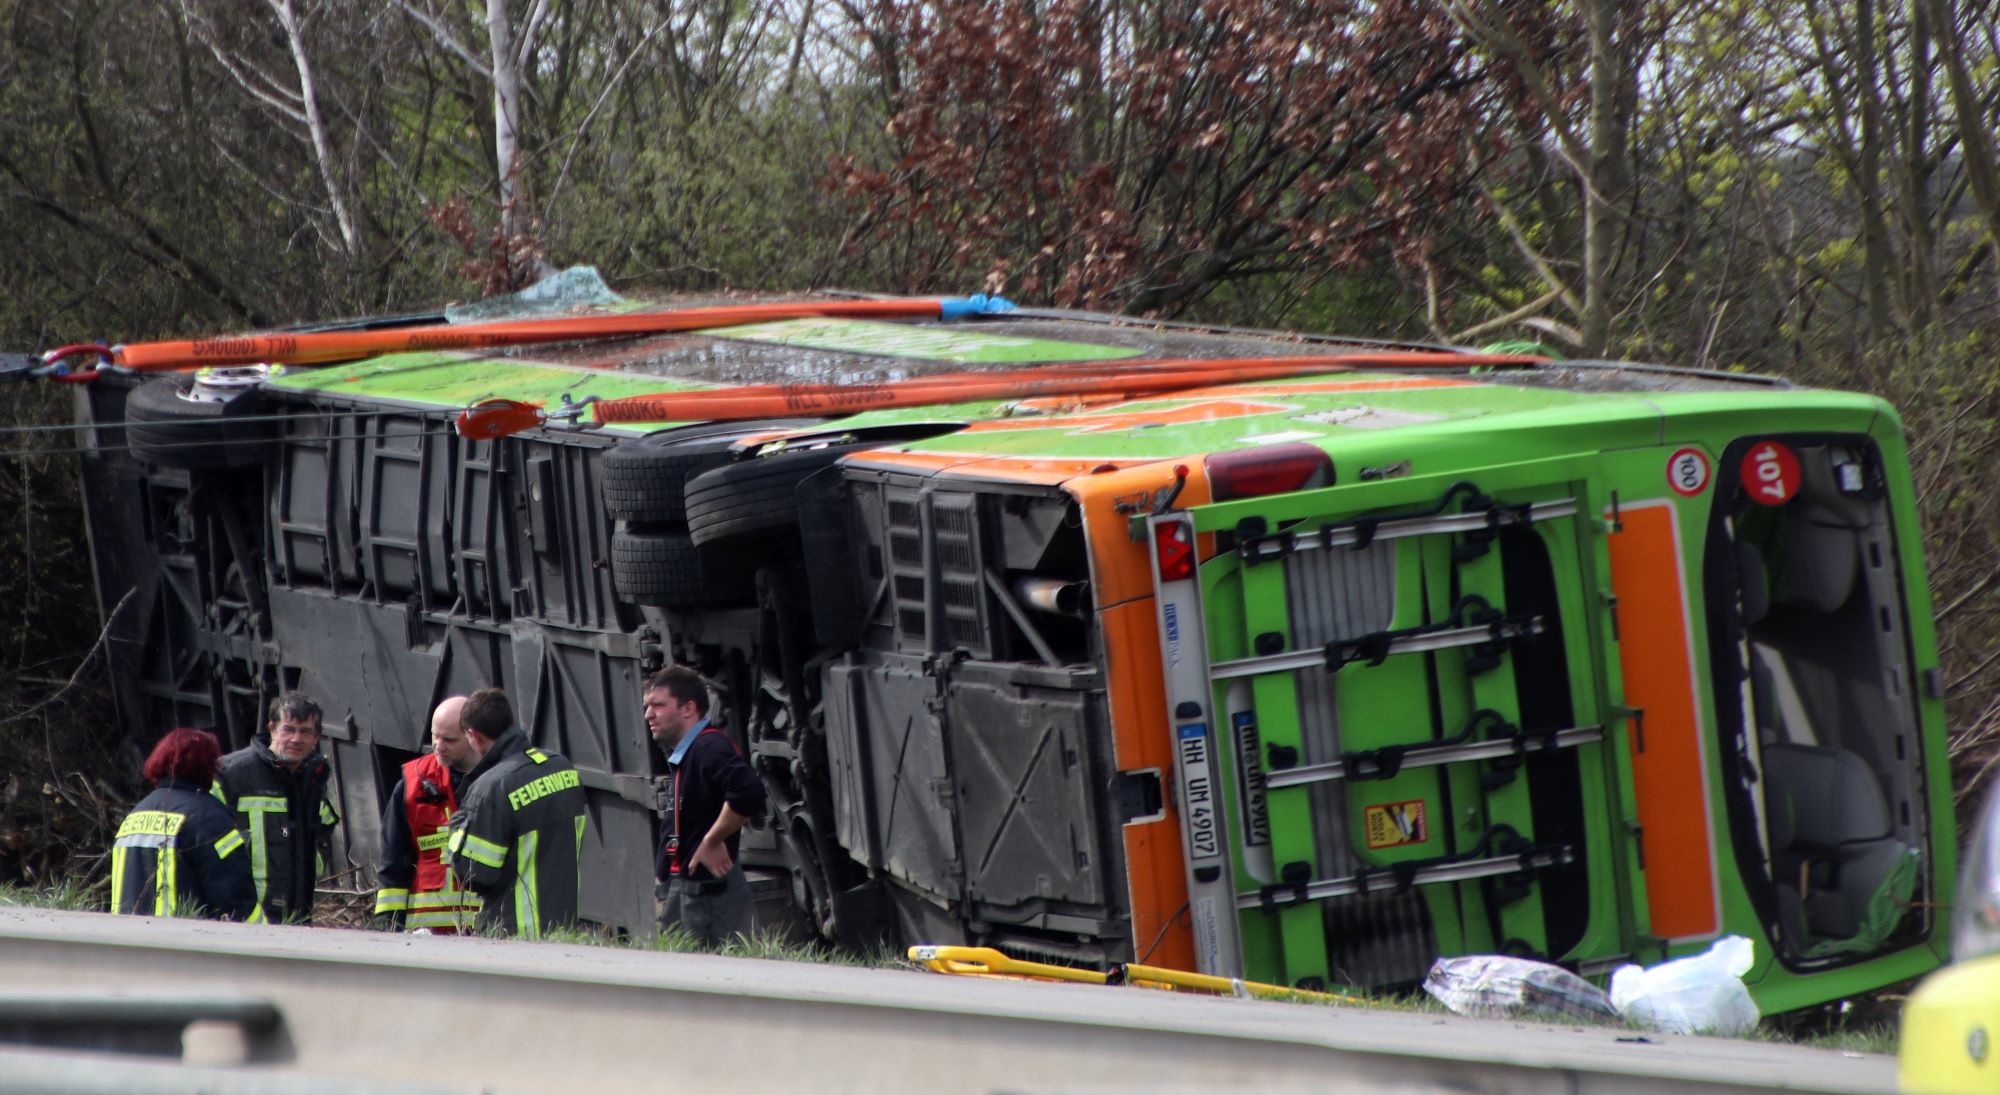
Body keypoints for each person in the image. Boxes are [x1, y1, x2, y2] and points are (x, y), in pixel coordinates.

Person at [445, 688, 587, 938]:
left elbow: (475, 874)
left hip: (515, 934)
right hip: (564, 928)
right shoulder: (562, 767)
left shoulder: (491, 789)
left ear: (473, 736)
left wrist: (458, 829)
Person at [644, 666, 766, 947]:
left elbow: (748, 793)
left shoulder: (708, 747)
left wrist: (713, 839)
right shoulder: (687, 751)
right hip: (686, 895)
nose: (649, 714)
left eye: (658, 705)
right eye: (648, 706)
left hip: (707, 902)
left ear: (688, 708)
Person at [212, 691, 340, 924]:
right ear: (272, 729)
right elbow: (205, 837)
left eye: (305, 731)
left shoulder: (312, 779)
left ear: (316, 737)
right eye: (288, 729)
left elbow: (323, 831)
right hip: (245, 915)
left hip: (297, 916)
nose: (296, 739)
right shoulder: (232, 773)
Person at [113, 728, 260, 921]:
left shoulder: (135, 815)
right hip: (185, 943)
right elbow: (235, 899)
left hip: (129, 943)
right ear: (208, 766)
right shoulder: (209, 817)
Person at [373, 696, 483, 932]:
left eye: (449, 739)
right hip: (425, 934)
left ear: (473, 736)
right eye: (434, 735)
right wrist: (388, 926)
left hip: (486, 930)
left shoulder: (500, 780)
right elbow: (393, 862)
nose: (438, 745)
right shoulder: (413, 782)